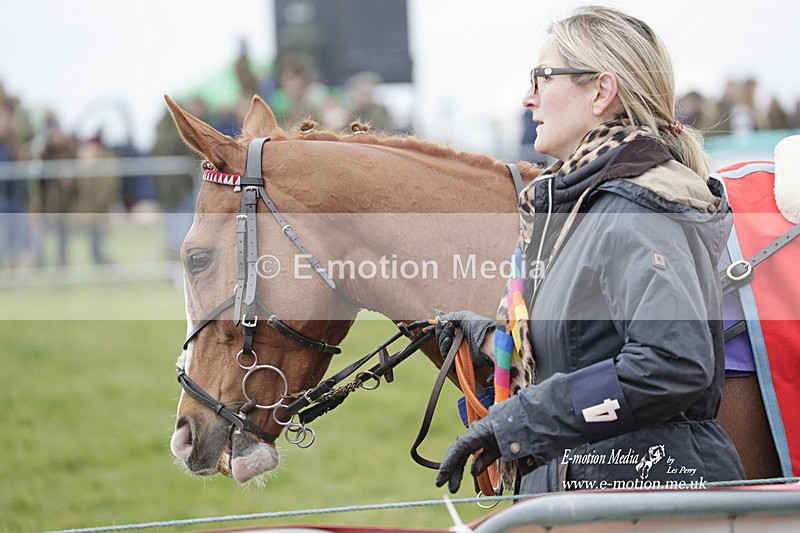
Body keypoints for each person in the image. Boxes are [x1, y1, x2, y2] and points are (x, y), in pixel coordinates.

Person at [434, 5, 745, 495]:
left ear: (601, 91)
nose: (527, 98)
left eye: (541, 78)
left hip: (652, 503)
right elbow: (591, 349)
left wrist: (520, 420)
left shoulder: (636, 206)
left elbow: (672, 363)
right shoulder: (581, 206)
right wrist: (502, 341)